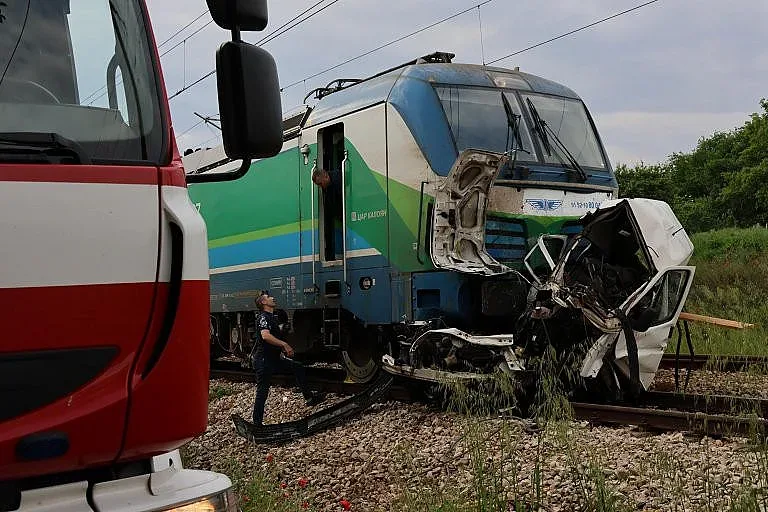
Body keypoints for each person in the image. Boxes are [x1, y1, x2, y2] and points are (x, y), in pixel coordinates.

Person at [251, 292, 324, 426]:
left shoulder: (271, 317)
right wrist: (284, 344)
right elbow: (265, 336)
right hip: (263, 361)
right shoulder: (263, 317)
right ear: (263, 303)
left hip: (273, 359)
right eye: (268, 297)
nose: (272, 297)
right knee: (262, 391)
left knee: (297, 367)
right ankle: (257, 424)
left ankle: (309, 398)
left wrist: (279, 352)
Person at [312, 167, 343, 261]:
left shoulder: (339, 178)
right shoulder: (328, 188)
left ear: (326, 176)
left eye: (320, 184)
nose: (321, 187)